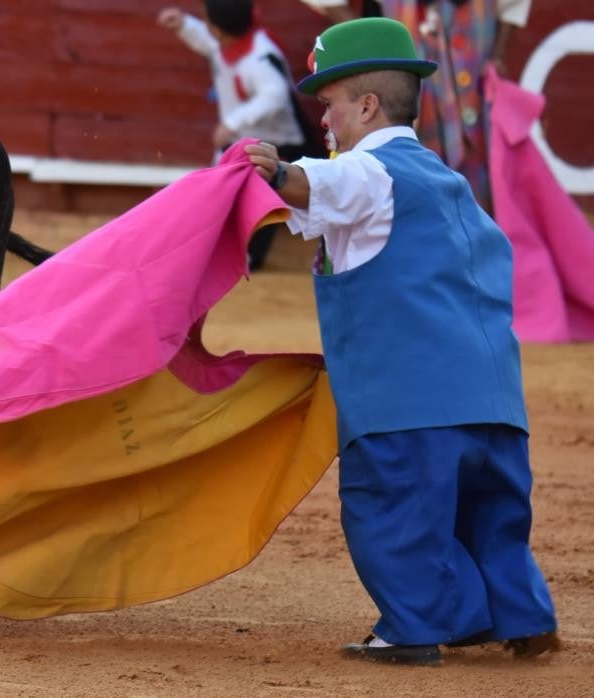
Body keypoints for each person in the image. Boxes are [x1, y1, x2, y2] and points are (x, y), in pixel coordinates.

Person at [243, 17, 558, 666]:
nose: (323, 121)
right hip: (496, 407)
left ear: (366, 105)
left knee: (393, 514)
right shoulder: (452, 186)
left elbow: (320, 185)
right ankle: (520, 618)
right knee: (489, 518)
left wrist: (273, 170)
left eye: (328, 104)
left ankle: (411, 629)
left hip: (407, 409)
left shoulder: (368, 173)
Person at [299, 0, 532, 211]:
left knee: (483, 170)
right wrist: (369, 43)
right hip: (405, 59)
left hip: (472, 65)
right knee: (409, 170)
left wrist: (497, 56)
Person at [157, 0, 324, 271]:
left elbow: (275, 96)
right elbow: (209, 43)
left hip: (278, 142)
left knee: (259, 193)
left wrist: (233, 122)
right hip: (246, 140)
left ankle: (245, 256)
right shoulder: (232, 43)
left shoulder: (259, 56)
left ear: (219, 30)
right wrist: (184, 26)